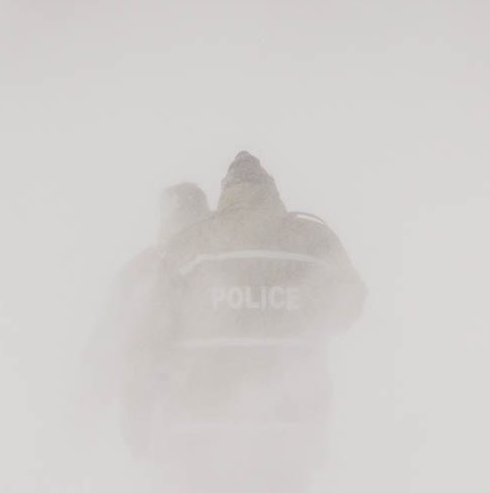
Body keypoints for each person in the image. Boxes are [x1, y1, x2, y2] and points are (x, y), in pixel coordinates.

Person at [135, 151, 365, 464]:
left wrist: (142, 417)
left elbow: (154, 334)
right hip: (291, 430)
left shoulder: (189, 246)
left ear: (226, 192)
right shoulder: (313, 240)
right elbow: (350, 301)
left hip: (203, 429)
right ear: (271, 191)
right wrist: (296, 310)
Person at [81, 182, 210, 443]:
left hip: (152, 421)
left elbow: (105, 346)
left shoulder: (139, 270)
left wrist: (83, 415)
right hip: (207, 417)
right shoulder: (218, 266)